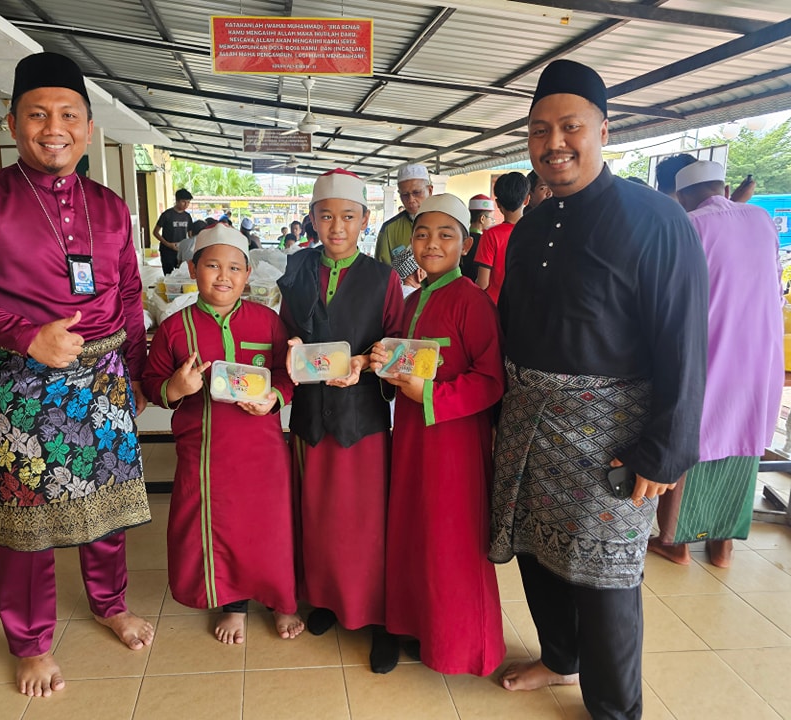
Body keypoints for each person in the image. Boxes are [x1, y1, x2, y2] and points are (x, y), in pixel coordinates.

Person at [0, 51, 153, 698]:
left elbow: (130, 294)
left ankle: (109, 604)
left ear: (88, 125)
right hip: (26, 382)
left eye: (69, 115)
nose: (55, 128)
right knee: (29, 516)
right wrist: (26, 335)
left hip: (105, 375)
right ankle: (29, 640)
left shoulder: (108, 205)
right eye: (38, 114)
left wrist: (134, 369)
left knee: (107, 506)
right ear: (12, 121)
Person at [490, 59, 708, 719]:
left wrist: (663, 451)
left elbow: (686, 342)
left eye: (570, 126)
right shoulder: (529, 227)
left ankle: (615, 710)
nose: (554, 141)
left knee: (607, 578)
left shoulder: (655, 220)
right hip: (530, 422)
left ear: (603, 130)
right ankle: (561, 657)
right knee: (536, 550)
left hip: (613, 434)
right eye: (539, 129)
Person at [142, 223, 304, 644]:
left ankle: (282, 600)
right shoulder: (175, 328)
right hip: (206, 450)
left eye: (234, 267)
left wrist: (276, 398)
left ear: (248, 274)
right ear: (193, 269)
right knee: (220, 527)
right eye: (212, 265)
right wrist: (177, 388)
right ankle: (233, 603)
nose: (223, 276)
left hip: (263, 448)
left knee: (270, 526)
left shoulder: (268, 322)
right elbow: (153, 383)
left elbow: (286, 378)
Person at [277, 168, 406, 674]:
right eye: (326, 216)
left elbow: (395, 342)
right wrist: (287, 346)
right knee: (320, 514)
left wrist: (366, 362)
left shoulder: (383, 278)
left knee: (367, 522)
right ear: (312, 219)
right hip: (311, 415)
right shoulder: (295, 270)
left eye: (347, 217)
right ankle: (329, 600)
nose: (336, 227)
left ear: (364, 221)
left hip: (363, 419)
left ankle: (377, 619)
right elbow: (285, 331)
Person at [371, 193, 506, 675]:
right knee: (413, 533)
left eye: (445, 234)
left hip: (454, 445)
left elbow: (490, 380)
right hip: (410, 438)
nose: (431, 243)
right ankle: (417, 628)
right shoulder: (411, 303)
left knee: (452, 541)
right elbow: (405, 364)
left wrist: (429, 397)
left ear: (465, 245)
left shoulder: (473, 302)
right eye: (422, 234)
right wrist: (385, 370)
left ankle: (464, 648)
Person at [647, 160, 783, 569]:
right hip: (759, 355)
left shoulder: (689, 225)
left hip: (710, 351)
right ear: (723, 187)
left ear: (683, 195)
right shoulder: (762, 220)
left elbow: (671, 297)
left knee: (694, 437)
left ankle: (677, 543)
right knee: (743, 443)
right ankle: (723, 547)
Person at [474, 172, 530, 305]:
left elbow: (483, 283)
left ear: (498, 204)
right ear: (527, 200)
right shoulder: (535, 233)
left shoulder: (491, 235)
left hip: (495, 307)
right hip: (524, 308)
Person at [374, 164, 433, 265]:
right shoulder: (389, 229)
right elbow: (381, 272)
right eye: (405, 195)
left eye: (416, 192)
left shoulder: (447, 223)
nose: (411, 200)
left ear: (430, 190)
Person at [154, 188, 193, 275]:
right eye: (183, 202)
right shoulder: (167, 215)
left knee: (182, 274)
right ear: (177, 201)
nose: (186, 205)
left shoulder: (187, 216)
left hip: (181, 250)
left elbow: (190, 234)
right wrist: (168, 244)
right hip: (167, 251)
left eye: (188, 202)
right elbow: (155, 232)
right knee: (168, 275)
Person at [461, 194, 494, 282]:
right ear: (482, 219)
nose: (492, 222)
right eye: (491, 219)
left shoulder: (460, 238)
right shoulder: (486, 242)